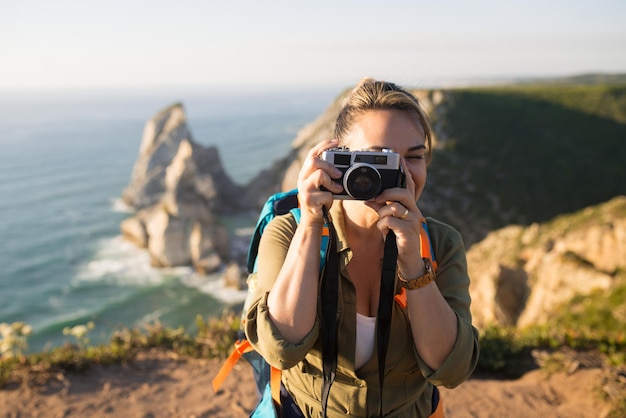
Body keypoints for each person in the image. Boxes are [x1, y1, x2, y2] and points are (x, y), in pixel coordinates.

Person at [245, 78, 479, 417]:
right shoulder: (289, 231)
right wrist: (311, 224)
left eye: (413, 157)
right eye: (378, 158)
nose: (401, 174)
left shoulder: (440, 245)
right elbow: (279, 349)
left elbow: (451, 370)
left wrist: (414, 264)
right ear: (339, 160)